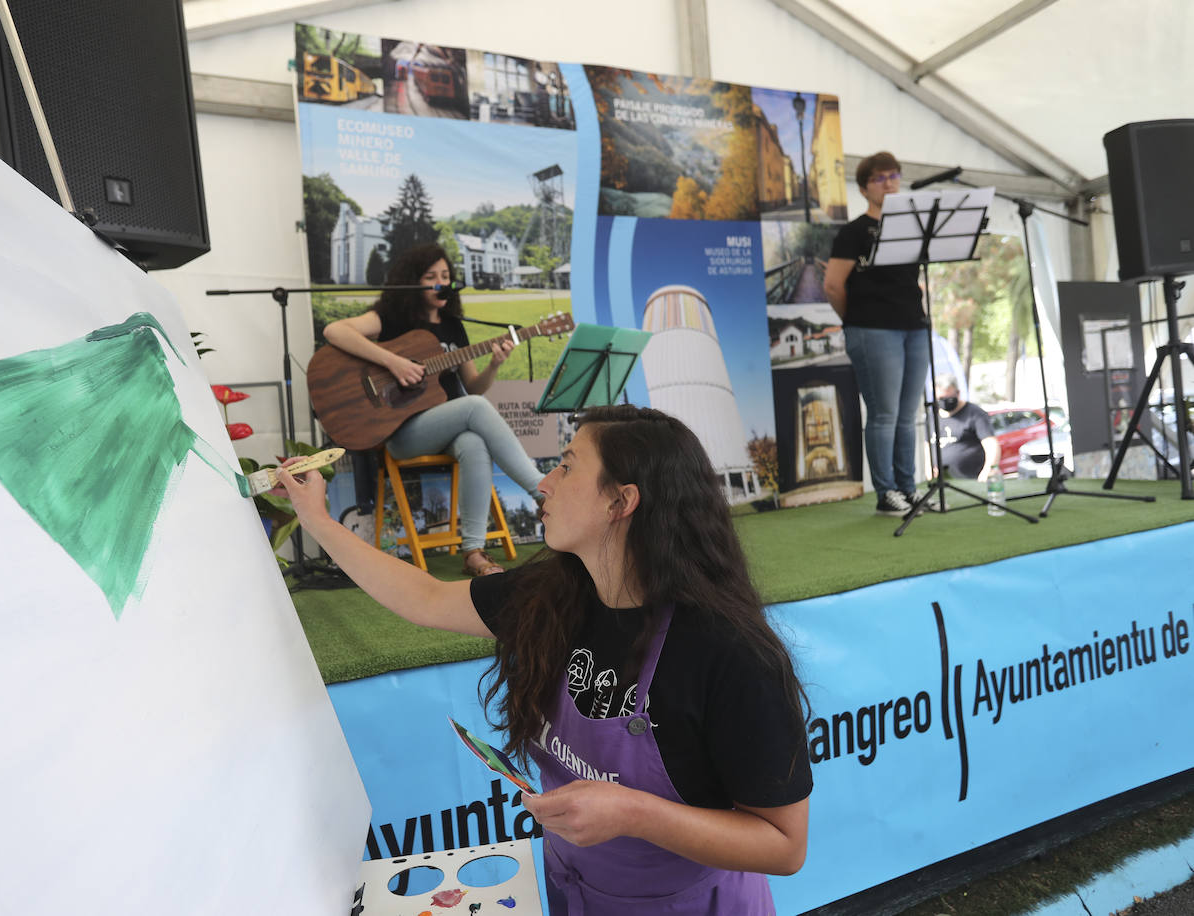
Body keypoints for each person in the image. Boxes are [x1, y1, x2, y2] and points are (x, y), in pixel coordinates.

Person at [274, 405, 811, 914]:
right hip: (577, 892)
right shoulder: (553, 595)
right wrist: (317, 519)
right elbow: (425, 599)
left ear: (620, 502)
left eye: (567, 467)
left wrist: (633, 813)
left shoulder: (733, 654)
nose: (544, 484)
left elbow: (784, 846)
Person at [323, 243, 544, 576]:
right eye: (432, 276)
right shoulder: (391, 318)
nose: (442, 282)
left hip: (446, 424)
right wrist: (393, 362)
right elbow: (334, 331)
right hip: (400, 432)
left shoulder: (454, 326)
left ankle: (473, 551)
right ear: (413, 281)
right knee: (475, 409)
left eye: (446, 275)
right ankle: (540, 490)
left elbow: (473, 387)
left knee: (474, 442)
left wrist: (495, 366)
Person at [824, 151, 930, 518]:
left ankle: (908, 487)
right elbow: (833, 286)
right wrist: (855, 320)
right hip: (872, 329)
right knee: (884, 414)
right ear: (864, 187)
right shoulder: (853, 233)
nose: (890, 183)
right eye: (880, 178)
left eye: (894, 176)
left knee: (906, 414)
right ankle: (886, 492)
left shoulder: (913, 226)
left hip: (913, 327)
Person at [932, 375, 1000, 481]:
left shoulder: (974, 413)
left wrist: (989, 470)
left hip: (971, 479)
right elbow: (927, 446)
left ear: (957, 393)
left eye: (949, 398)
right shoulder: (932, 416)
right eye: (941, 398)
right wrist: (928, 469)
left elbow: (991, 444)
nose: (945, 402)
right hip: (942, 481)